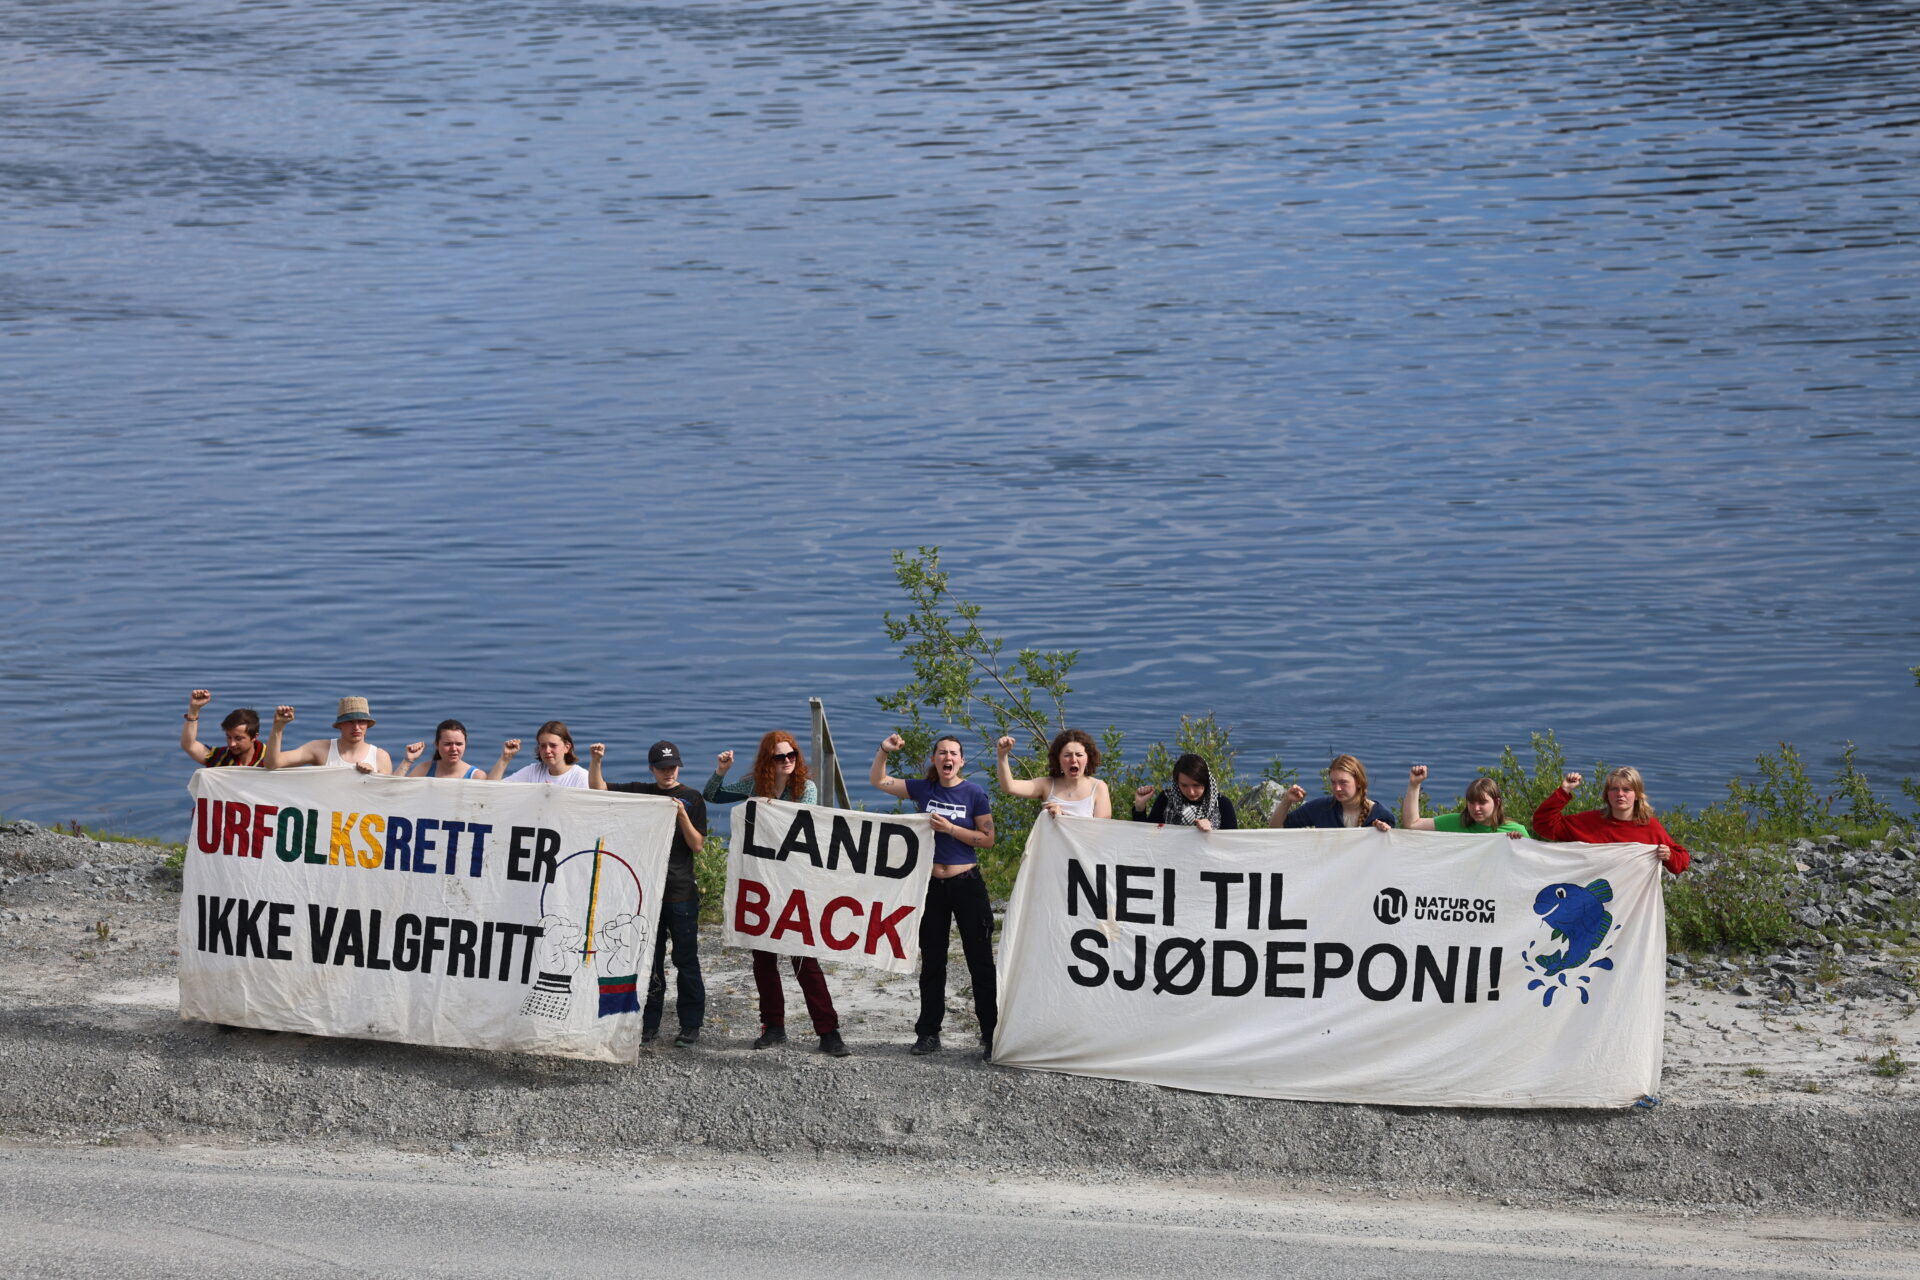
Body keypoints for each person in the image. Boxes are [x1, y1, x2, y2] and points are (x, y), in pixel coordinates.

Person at [704, 732, 851, 1057]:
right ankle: (773, 1027)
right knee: (764, 959)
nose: (787, 761)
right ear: (767, 761)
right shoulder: (754, 784)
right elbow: (713, 795)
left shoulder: (805, 789)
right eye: (779, 757)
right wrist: (722, 770)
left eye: (791, 756)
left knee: (804, 960)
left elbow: (800, 828)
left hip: (795, 883)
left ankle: (828, 1031)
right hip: (761, 881)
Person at [871, 732, 997, 1059]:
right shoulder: (925, 788)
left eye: (953, 753)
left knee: (980, 962)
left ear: (961, 761)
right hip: (931, 887)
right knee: (933, 962)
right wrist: (884, 750)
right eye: (941, 753)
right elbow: (879, 780)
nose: (947, 758)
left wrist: (951, 829)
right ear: (934, 759)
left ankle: (990, 1034)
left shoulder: (974, 793)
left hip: (967, 884)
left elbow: (987, 839)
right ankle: (928, 1033)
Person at [589, 741, 709, 1048]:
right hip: (647, 893)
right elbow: (599, 789)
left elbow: (697, 845)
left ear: (679, 766)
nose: (668, 773)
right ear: (651, 769)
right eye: (661, 768)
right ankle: (649, 1024)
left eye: (672, 767)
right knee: (650, 962)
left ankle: (691, 1023)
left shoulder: (692, 798)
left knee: (686, 960)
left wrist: (681, 815)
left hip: (680, 893)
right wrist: (596, 759)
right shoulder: (642, 792)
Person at [1532, 767, 1691, 874]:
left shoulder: (1649, 827)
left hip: (1630, 908)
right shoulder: (1588, 822)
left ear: (1637, 795)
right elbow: (1543, 824)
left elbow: (1681, 861)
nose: (1620, 794)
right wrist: (1564, 790)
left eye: (1626, 790)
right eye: (1614, 789)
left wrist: (1669, 856)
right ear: (1607, 794)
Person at [994, 730, 1112, 819]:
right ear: (1058, 759)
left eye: (1079, 755)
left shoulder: (1099, 788)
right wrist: (1002, 755)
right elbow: (1009, 787)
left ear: (1088, 759)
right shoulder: (1047, 785)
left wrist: (1062, 818)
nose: (1073, 759)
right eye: (1067, 755)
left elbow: (1100, 833)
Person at [260, 698, 392, 774]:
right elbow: (272, 764)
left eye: (361, 721)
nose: (356, 727)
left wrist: (372, 777)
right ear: (340, 725)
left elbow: (388, 797)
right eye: (350, 722)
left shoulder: (380, 757)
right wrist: (278, 727)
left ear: (367, 724)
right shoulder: (320, 749)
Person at [1268, 754, 1392, 830]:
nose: (1337, 788)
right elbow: (1276, 829)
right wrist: (1287, 801)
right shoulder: (1321, 808)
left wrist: (1383, 833)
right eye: (1333, 782)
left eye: (1343, 782)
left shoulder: (1381, 815)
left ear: (1359, 782)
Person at [1401, 766, 1527, 836]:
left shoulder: (1515, 831)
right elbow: (1412, 825)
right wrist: (1414, 784)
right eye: (1471, 802)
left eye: (1482, 802)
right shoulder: (1456, 822)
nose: (1476, 808)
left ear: (1497, 802)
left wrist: (1520, 845)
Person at [1131, 752, 1238, 831]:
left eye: (1196, 785)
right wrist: (1139, 808)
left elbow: (1231, 845)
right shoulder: (1166, 799)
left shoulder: (1222, 804)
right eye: (1184, 785)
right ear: (1177, 783)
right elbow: (1147, 836)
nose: (1191, 792)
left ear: (1206, 782)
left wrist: (1211, 831)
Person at [490, 721, 590, 786]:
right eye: (543, 746)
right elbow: (491, 789)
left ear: (567, 747)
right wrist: (505, 758)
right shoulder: (533, 771)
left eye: (553, 745)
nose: (547, 750)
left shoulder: (581, 777)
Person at [179, 690, 263, 767]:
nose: (232, 744)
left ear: (254, 737)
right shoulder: (220, 757)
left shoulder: (269, 759)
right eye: (229, 737)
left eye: (238, 738)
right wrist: (194, 710)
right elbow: (189, 745)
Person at [400, 719, 489, 780]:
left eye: (459, 744)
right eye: (447, 744)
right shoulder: (424, 769)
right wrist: (408, 760)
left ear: (465, 745)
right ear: (437, 745)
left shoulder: (476, 776)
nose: (454, 749)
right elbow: (394, 792)